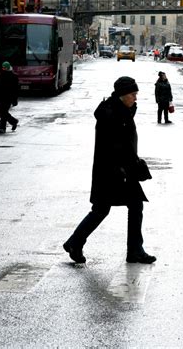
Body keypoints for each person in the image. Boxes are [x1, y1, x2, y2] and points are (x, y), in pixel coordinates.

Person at [63, 76, 156, 265]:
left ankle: (76, 242)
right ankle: (133, 250)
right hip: (113, 172)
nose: (135, 98)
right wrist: (127, 167)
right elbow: (115, 146)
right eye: (133, 94)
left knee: (109, 208)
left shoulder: (120, 110)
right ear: (122, 95)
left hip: (118, 170)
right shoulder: (111, 114)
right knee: (108, 208)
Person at [0, 61, 19, 134]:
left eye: (5, 67)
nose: (3, 68)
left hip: (9, 97)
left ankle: (2, 128)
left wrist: (15, 99)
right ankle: (14, 121)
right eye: (2, 67)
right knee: (3, 112)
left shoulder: (13, 76)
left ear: (8, 67)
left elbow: (15, 89)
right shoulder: (0, 75)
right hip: (1, 97)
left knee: (3, 112)